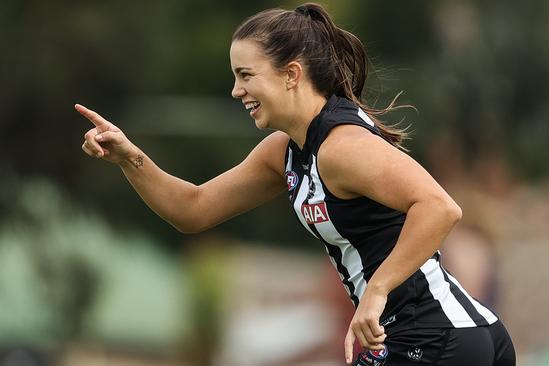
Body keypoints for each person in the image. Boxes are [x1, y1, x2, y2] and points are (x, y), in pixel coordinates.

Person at [76, 3, 516, 365]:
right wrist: (129, 157)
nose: (235, 90)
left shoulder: (341, 147)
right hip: (446, 338)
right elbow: (193, 209)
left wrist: (376, 291)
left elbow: (440, 208)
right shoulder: (283, 152)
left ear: (291, 74)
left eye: (246, 75)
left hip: (438, 337)